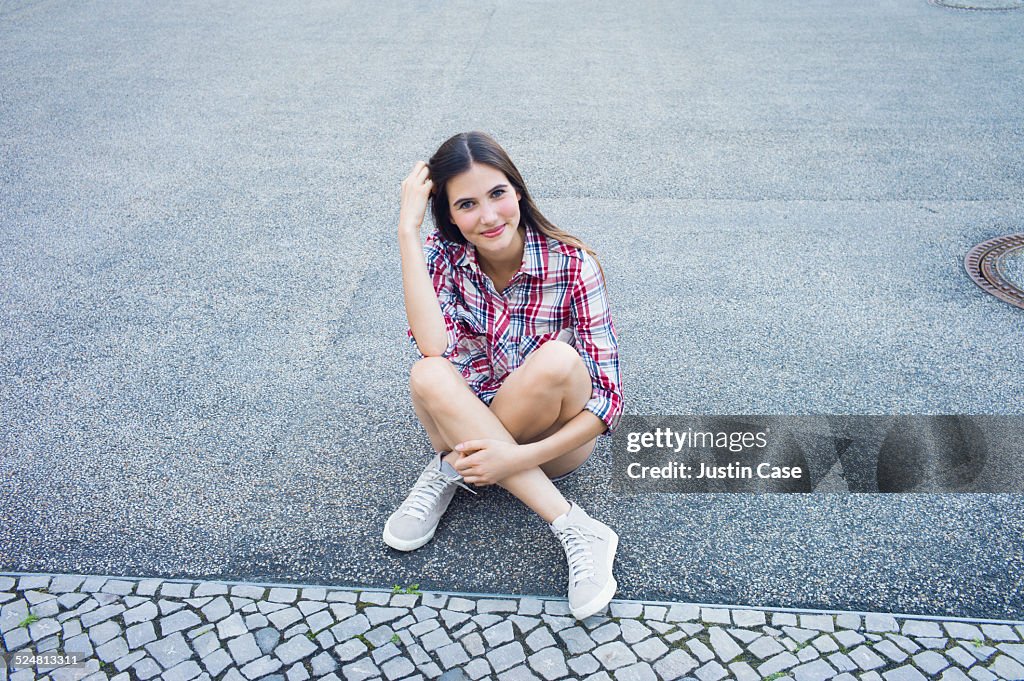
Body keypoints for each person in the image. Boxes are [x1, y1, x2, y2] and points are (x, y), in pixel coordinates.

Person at [384, 131, 623, 620]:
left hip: (552, 443)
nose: (489, 216)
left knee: (558, 359)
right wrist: (407, 232)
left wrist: (514, 457)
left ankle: (452, 468)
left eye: (497, 194)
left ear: (517, 191)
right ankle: (576, 524)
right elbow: (433, 347)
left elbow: (608, 400)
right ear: (449, 215)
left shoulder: (573, 264)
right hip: (470, 420)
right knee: (428, 372)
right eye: (467, 204)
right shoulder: (442, 258)